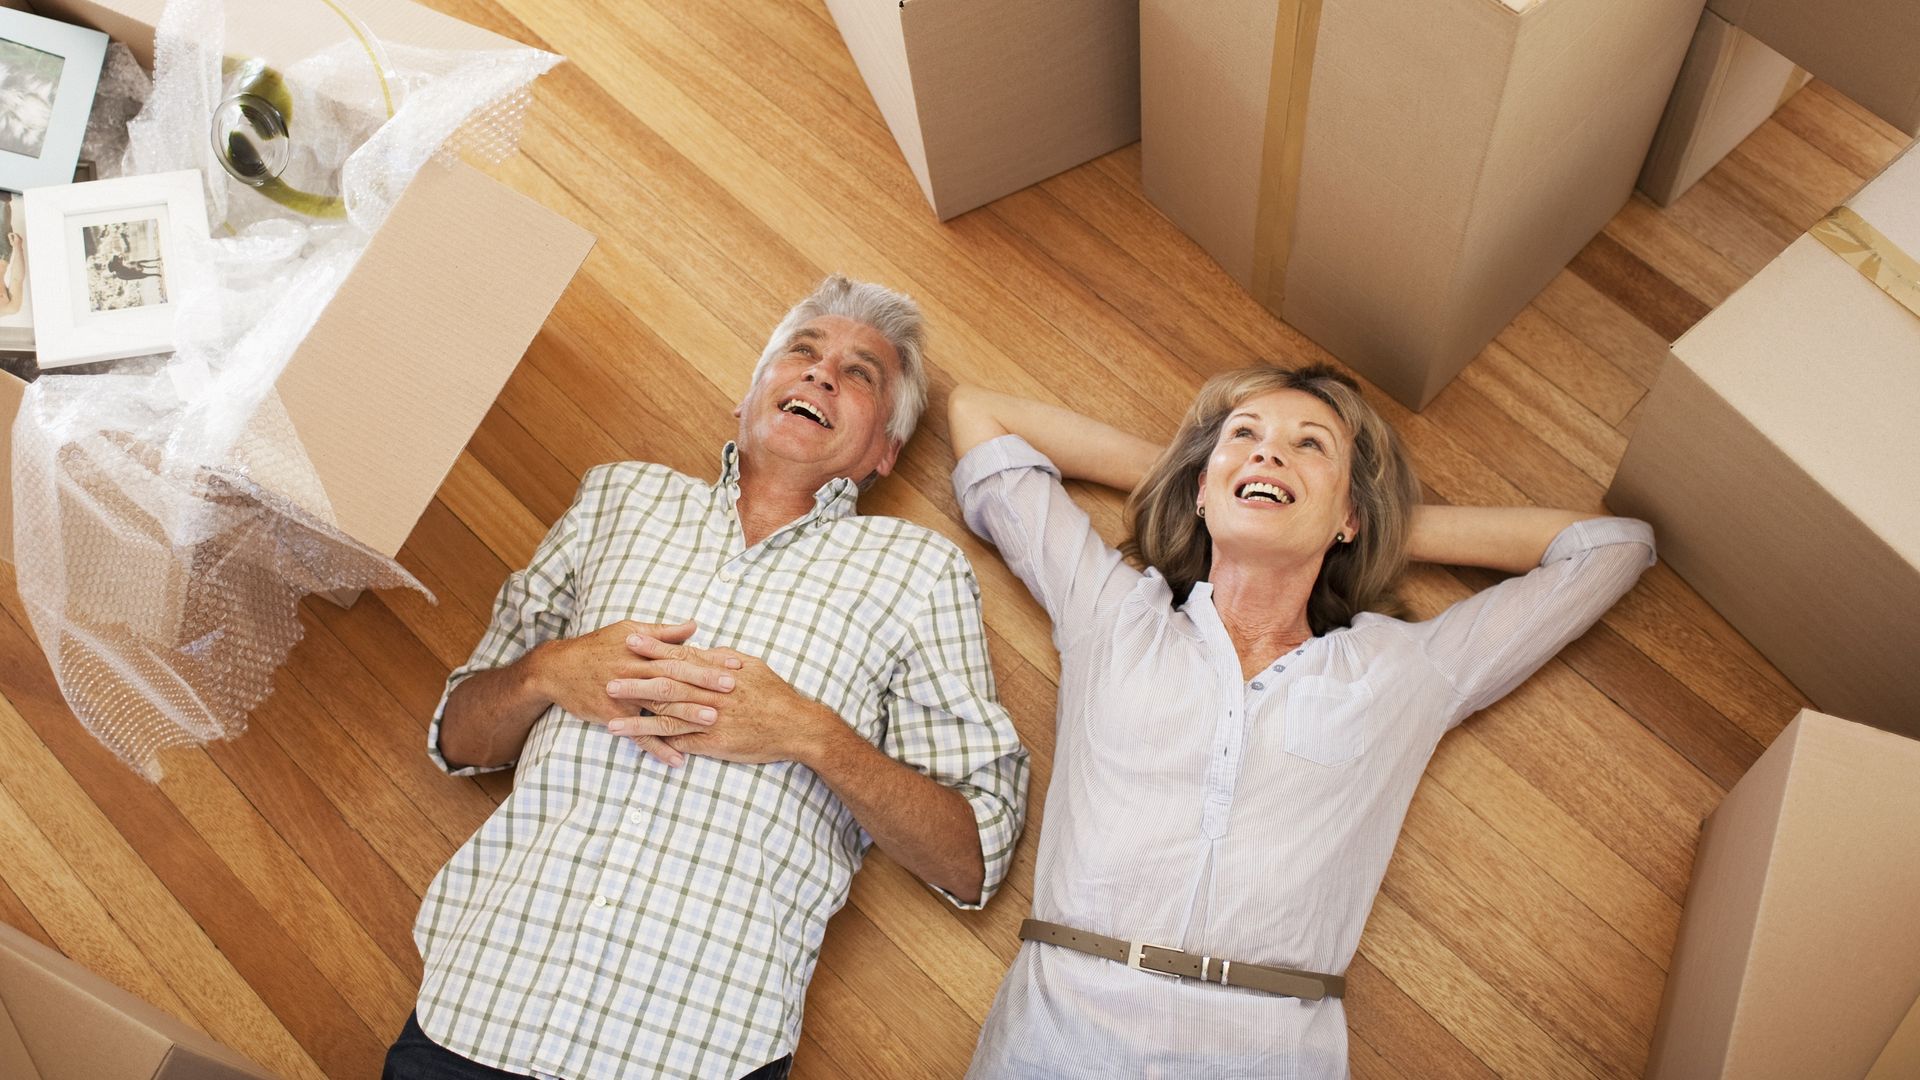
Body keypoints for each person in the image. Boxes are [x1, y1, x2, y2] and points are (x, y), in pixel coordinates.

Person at [388, 275, 1029, 1080]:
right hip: (478, 1014)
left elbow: (972, 858)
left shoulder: (918, 572)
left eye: (860, 373)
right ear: (749, 395)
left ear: (884, 452)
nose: (821, 373)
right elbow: (456, 738)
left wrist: (808, 734)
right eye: (801, 352)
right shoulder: (618, 497)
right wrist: (550, 672)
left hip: (696, 1052)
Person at [947, 364, 1656, 1078]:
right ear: (1200, 489)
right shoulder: (1113, 615)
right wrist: (1204, 481)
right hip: (1060, 1023)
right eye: (1245, 436)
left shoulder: (1401, 672)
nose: (1268, 452)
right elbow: (979, 412)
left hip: (1268, 1046)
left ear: (1352, 516)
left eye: (1310, 445)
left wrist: (1362, 524)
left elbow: (1611, 548)